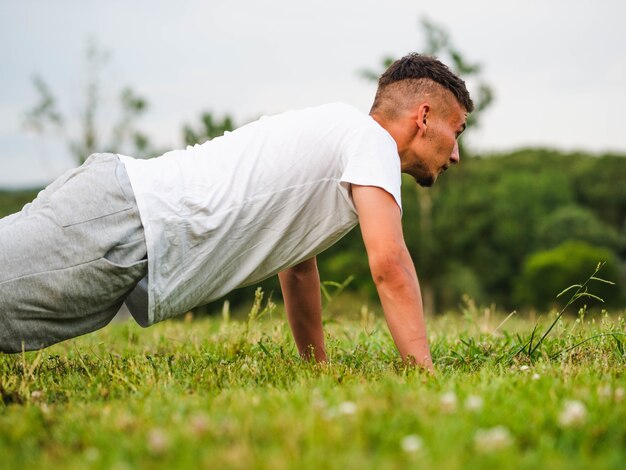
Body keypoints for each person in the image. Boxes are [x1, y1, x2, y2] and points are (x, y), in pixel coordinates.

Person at [0, 53, 472, 371]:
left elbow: (298, 268)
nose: (455, 155)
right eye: (458, 131)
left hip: (125, 232)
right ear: (424, 116)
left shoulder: (342, 143)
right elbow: (390, 265)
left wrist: (317, 368)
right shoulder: (370, 143)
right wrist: (423, 377)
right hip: (122, 223)